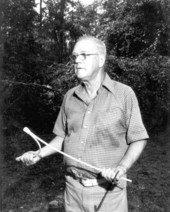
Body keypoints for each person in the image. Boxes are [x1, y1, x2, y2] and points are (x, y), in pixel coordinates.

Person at [16, 36, 149, 212]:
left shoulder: (124, 94)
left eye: (84, 55)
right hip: (72, 190)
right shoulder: (69, 96)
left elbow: (138, 138)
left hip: (108, 193)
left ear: (101, 60)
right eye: (75, 56)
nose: (77, 60)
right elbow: (61, 137)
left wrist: (121, 167)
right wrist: (38, 154)